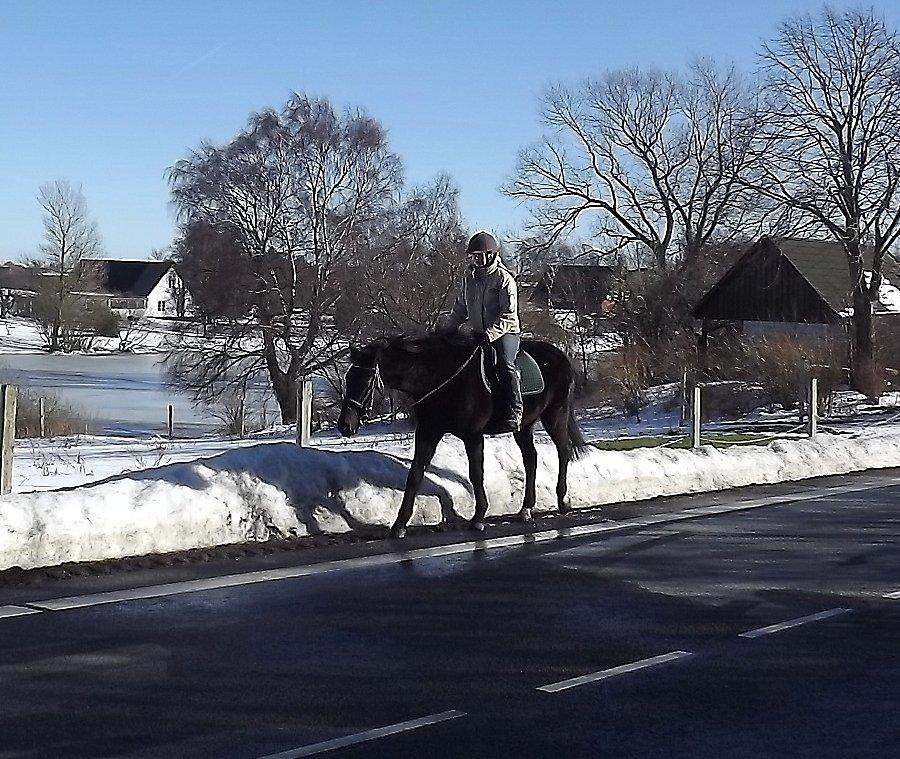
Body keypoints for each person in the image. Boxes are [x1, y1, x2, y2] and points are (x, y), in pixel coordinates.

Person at [443, 231, 522, 432]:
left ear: (491, 255)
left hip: (505, 333)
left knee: (505, 364)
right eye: (473, 256)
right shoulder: (468, 280)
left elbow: (508, 315)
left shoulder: (504, 280)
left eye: (479, 255)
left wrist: (490, 334)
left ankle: (515, 410)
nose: (475, 259)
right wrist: (447, 331)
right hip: (479, 334)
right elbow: (460, 308)